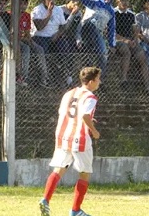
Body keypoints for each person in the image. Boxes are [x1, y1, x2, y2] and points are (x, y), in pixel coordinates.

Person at [39, 66, 102, 216]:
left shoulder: (69, 93)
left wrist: (87, 120)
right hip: (79, 138)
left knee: (59, 169)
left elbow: (66, 113)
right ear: (91, 81)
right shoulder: (90, 97)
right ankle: (75, 210)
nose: (100, 82)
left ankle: (45, 200)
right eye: (98, 79)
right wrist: (94, 130)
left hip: (63, 135)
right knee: (85, 173)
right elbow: (85, 116)